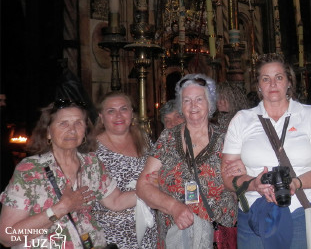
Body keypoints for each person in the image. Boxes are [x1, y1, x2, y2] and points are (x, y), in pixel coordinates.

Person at [222, 53, 311, 248]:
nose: (272, 84)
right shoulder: (242, 120)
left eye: (279, 77)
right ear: (258, 85)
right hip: (254, 214)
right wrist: (253, 184)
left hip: (299, 211)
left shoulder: (309, 115)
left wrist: (295, 183)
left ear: (289, 82)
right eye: (265, 79)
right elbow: (227, 178)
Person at [0, 99, 136, 248]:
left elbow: (116, 201)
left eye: (78, 123)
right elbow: (7, 236)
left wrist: (154, 188)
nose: (72, 130)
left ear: (85, 130)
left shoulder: (91, 164)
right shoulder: (30, 170)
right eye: (63, 123)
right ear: (48, 132)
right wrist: (62, 207)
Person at [136, 74, 237, 248]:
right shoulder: (168, 138)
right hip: (174, 233)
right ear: (181, 106)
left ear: (210, 103)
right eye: (187, 100)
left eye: (199, 99)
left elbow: (238, 183)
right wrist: (173, 207)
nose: (193, 106)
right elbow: (143, 186)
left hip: (218, 236)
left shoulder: (226, 139)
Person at [92, 92, 157, 248]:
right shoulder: (91, 150)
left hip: (148, 229)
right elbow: (113, 201)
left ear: (132, 113)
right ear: (101, 117)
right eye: (111, 111)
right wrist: (150, 187)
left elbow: (160, 173)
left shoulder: (144, 140)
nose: (118, 115)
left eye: (124, 109)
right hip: (110, 234)